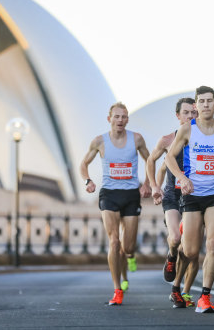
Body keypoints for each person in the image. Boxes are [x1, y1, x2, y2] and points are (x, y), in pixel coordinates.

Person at [165, 86, 214, 313]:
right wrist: (182, 178)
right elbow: (169, 157)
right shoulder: (187, 130)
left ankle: (204, 297)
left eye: (210, 101)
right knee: (189, 251)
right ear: (196, 107)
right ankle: (176, 285)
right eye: (202, 101)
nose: (206, 105)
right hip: (192, 196)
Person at [80, 102, 151, 306]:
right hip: (109, 194)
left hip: (130, 194)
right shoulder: (99, 141)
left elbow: (150, 160)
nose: (120, 120)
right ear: (109, 118)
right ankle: (117, 288)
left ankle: (130, 256)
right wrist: (88, 180)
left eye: (124, 117)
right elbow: (83, 163)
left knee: (127, 246)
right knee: (114, 241)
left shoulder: (136, 139)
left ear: (127, 119)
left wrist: (147, 183)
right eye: (117, 116)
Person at [146, 97, 200, 308]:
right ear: (178, 116)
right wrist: (154, 187)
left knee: (189, 247)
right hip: (172, 196)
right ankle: (170, 256)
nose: (190, 116)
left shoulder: (205, 139)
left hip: (194, 197)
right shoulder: (168, 140)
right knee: (176, 238)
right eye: (186, 113)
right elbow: (151, 160)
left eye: (193, 113)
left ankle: (177, 289)